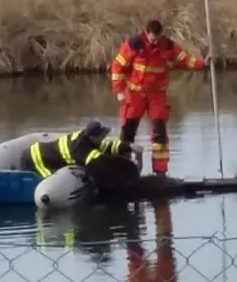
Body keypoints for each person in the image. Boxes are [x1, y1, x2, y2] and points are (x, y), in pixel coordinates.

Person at [109, 19, 212, 177]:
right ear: (146, 33)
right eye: (152, 39)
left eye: (157, 39)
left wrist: (202, 64)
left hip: (157, 95)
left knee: (160, 133)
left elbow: (185, 59)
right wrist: (119, 90)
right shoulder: (134, 44)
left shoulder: (168, 45)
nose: (155, 42)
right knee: (128, 131)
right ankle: (122, 168)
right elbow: (117, 66)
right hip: (135, 93)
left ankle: (160, 171)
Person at [20, 120, 144, 195]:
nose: (104, 137)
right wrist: (127, 171)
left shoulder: (87, 138)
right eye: (102, 135)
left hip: (40, 152)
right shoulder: (81, 149)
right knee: (48, 184)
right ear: (93, 137)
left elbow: (108, 147)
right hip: (35, 158)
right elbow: (101, 164)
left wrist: (129, 147)